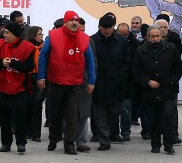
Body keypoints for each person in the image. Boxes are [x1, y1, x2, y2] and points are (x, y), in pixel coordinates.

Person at [37, 10, 96, 155]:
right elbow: (43, 56)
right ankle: (54, 138)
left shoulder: (84, 39)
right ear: (65, 22)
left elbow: (90, 61)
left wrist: (91, 81)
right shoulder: (53, 36)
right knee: (55, 113)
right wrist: (41, 77)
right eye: (71, 21)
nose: (75, 23)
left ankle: (69, 144)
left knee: (72, 114)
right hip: (56, 81)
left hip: (75, 83)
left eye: (76, 21)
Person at [133, 24, 182, 155]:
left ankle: (169, 145)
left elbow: (178, 67)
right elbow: (136, 71)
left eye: (157, 36)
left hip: (168, 90)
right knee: (153, 119)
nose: (155, 39)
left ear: (161, 36)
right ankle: (155, 144)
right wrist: (148, 81)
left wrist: (172, 80)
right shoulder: (140, 50)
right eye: (153, 36)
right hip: (150, 91)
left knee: (167, 116)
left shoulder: (171, 48)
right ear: (148, 37)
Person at [0, 21, 35, 153]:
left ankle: (21, 143)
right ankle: (6, 143)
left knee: (20, 116)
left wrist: (13, 63)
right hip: (2, 86)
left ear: (15, 34)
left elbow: (28, 67)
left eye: (7, 33)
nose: (4, 35)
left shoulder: (28, 47)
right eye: (4, 32)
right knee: (3, 116)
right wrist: (1, 63)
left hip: (19, 87)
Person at [90, 13, 131, 151]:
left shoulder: (121, 41)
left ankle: (112, 133)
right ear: (100, 27)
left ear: (113, 27)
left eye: (110, 27)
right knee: (100, 114)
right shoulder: (92, 41)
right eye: (104, 27)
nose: (107, 30)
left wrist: (121, 77)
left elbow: (127, 62)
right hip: (98, 84)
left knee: (114, 113)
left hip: (116, 85)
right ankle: (104, 141)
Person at [24, 26, 45, 143]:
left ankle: (36, 134)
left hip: (39, 78)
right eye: (39, 34)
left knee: (37, 104)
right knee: (27, 105)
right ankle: (27, 131)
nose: (41, 36)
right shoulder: (26, 47)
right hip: (27, 78)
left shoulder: (44, 47)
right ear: (33, 35)